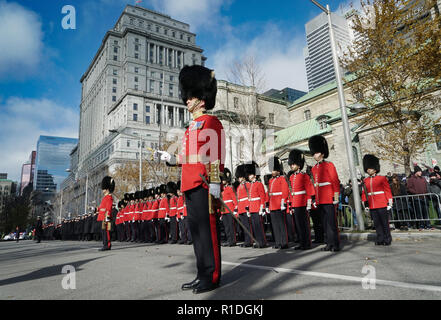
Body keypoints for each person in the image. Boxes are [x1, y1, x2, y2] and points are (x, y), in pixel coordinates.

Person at [156, 65, 224, 294]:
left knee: (208, 231)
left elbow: (214, 156)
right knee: (196, 232)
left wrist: (215, 184)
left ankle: (212, 275)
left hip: (204, 184)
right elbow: (188, 157)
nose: (187, 100)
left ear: (201, 97)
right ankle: (201, 273)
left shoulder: (211, 122)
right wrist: (170, 158)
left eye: (191, 95)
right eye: (187, 95)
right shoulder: (191, 127)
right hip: (189, 183)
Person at [309, 135, 341, 252]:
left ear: (322, 153)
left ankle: (335, 244)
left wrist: (335, 196)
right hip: (320, 199)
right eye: (313, 153)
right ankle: (328, 243)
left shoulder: (329, 165)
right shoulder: (314, 168)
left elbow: (335, 181)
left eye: (316, 153)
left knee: (332, 223)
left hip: (329, 198)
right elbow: (315, 185)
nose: (314, 155)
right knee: (324, 223)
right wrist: (314, 199)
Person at [361, 155, 393, 246]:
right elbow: (364, 193)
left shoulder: (382, 178)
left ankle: (387, 239)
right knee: (377, 224)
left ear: (375, 169)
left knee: (384, 223)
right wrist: (365, 204)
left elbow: (387, 190)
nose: (368, 170)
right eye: (367, 168)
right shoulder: (365, 180)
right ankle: (380, 238)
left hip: (382, 203)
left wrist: (389, 202)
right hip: (372, 204)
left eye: (370, 168)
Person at [288, 149, 315, 250]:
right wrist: (291, 205)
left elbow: (309, 190)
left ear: (299, 165)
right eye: (291, 164)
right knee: (298, 225)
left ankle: (307, 243)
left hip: (303, 202)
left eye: (293, 164)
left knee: (304, 225)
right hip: (295, 203)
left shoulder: (304, 176)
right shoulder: (291, 177)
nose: (291, 166)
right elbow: (291, 192)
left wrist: (309, 203)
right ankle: (301, 242)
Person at [268, 156, 290, 250]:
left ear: (278, 170)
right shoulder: (270, 180)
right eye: (272, 170)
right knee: (275, 225)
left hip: (279, 204)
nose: (272, 172)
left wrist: (283, 202)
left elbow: (285, 191)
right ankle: (278, 242)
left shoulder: (282, 179)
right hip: (273, 204)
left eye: (274, 170)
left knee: (281, 224)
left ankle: (284, 242)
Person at [245, 162, 268, 248]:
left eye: (250, 174)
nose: (249, 176)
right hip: (252, 208)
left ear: (255, 175)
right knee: (255, 227)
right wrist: (249, 209)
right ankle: (258, 242)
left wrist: (262, 208)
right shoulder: (251, 185)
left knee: (260, 227)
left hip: (258, 208)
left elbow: (262, 197)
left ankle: (262, 242)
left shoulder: (259, 184)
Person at [220, 168, 237, 247]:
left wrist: (236, 208)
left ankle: (233, 241)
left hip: (230, 209)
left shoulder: (230, 188)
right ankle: (229, 239)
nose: (222, 181)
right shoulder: (221, 189)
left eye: (223, 179)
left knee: (231, 226)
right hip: (224, 210)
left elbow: (234, 198)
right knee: (226, 227)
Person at [97, 176, 115, 251]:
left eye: (104, 188)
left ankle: (107, 245)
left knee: (106, 231)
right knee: (104, 232)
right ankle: (105, 244)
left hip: (106, 217)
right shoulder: (105, 197)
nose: (102, 189)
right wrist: (95, 209)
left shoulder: (109, 197)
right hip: (102, 216)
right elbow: (101, 208)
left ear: (107, 189)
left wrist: (107, 217)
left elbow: (108, 208)